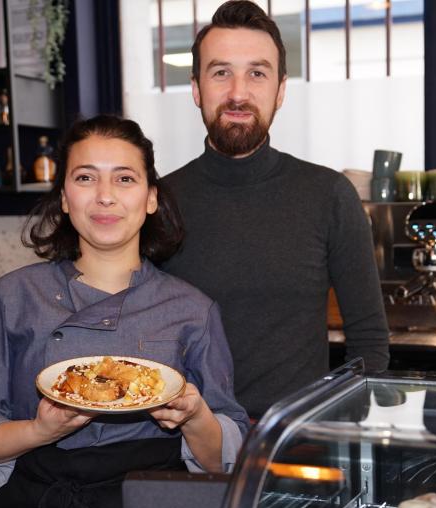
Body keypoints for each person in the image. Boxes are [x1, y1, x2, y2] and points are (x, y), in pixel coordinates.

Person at [0, 115, 249, 508]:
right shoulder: (11, 298)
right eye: (85, 178)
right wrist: (40, 431)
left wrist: (196, 417)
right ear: (64, 197)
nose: (105, 197)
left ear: (150, 198)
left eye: (124, 179)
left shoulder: (192, 309)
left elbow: (223, 458)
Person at [162, 0, 390, 418]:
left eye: (257, 73)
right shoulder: (158, 202)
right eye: (220, 72)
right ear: (196, 89)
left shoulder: (329, 195)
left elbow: (369, 342)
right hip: (183, 444)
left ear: (280, 90)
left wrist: (333, 433)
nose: (238, 93)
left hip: (295, 448)